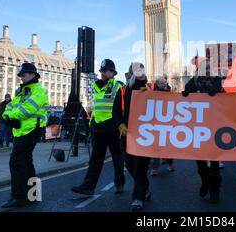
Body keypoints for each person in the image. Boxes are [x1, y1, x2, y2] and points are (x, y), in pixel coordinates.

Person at [71, 59, 125, 197]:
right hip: (97, 127)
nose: (102, 73)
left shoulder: (119, 86)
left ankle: (120, 183)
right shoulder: (95, 86)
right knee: (95, 159)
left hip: (113, 127)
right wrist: (91, 123)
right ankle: (88, 187)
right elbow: (96, 106)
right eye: (101, 71)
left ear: (112, 72)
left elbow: (123, 106)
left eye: (105, 71)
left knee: (117, 158)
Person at [1, 63, 49, 208]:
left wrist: (11, 117)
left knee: (16, 162)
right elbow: (8, 106)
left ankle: (19, 197)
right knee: (27, 162)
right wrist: (6, 116)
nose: (22, 77)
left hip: (31, 130)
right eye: (21, 75)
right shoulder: (21, 91)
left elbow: (27, 109)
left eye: (25, 75)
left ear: (33, 75)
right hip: (20, 131)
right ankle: (33, 194)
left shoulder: (39, 91)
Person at [182, 59, 224, 203]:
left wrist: (214, 93)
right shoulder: (193, 82)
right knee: (200, 160)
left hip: (214, 126)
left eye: (208, 68)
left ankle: (215, 190)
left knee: (214, 161)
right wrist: (185, 94)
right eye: (203, 68)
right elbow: (185, 93)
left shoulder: (217, 80)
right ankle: (205, 181)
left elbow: (220, 93)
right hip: (197, 127)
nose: (206, 71)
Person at [119, 62, 152, 211]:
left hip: (145, 134)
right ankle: (144, 187)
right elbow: (115, 111)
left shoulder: (149, 88)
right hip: (127, 134)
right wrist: (119, 124)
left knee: (140, 167)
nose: (140, 72)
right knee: (130, 164)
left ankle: (138, 198)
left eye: (142, 70)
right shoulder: (123, 91)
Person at [150, 76, 175, 175]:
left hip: (168, 122)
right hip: (155, 122)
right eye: (163, 83)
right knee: (155, 147)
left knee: (168, 145)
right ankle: (154, 168)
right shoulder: (151, 90)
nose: (165, 84)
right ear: (157, 84)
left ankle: (170, 165)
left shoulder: (170, 90)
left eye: (166, 82)